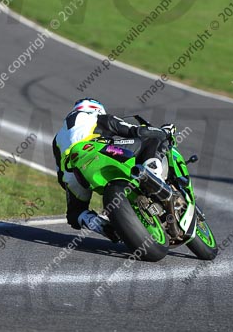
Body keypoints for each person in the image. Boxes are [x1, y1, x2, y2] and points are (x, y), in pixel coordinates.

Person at [53, 98, 175, 237]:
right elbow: (135, 131)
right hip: (95, 150)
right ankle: (154, 178)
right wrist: (164, 131)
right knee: (151, 140)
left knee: (75, 213)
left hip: (74, 170)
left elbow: (61, 176)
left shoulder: (58, 137)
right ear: (97, 108)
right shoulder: (96, 117)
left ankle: (101, 226)